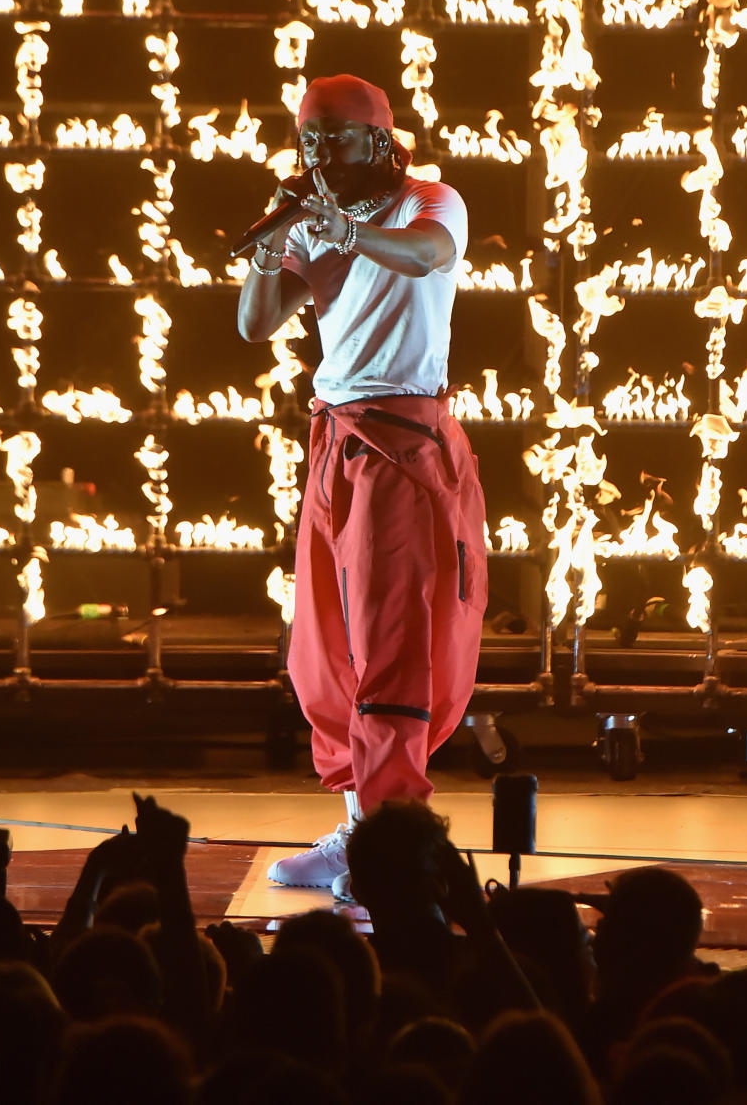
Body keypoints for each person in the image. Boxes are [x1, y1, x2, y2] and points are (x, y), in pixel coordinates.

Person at [238, 73, 487, 898]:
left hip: (401, 447)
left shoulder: (429, 200)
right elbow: (254, 323)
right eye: (309, 139)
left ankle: (395, 851)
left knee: (391, 647)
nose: (320, 154)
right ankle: (357, 828)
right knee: (325, 654)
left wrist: (339, 224)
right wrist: (274, 245)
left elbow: (430, 257)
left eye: (336, 137)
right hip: (333, 441)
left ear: (379, 139)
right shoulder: (314, 219)